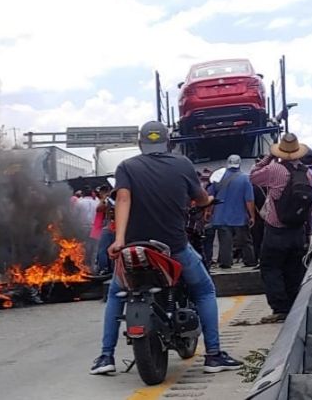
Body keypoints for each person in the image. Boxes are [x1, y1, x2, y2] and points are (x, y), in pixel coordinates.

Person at [91, 121, 243, 376]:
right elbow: (201, 198)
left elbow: (124, 198)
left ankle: (106, 356)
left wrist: (119, 240)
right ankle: (214, 355)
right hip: (173, 247)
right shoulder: (183, 164)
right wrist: (208, 201)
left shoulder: (126, 167)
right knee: (205, 290)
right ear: (168, 143)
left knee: (117, 294)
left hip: (133, 247)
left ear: (141, 143)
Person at [250, 133, 312, 324]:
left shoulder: (274, 169)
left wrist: (268, 157)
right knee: (293, 269)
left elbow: (253, 177)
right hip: (297, 230)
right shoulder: (308, 173)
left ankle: (280, 308)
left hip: (276, 230)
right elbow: (310, 206)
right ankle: (294, 305)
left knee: (271, 267)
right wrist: (309, 231)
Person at [210, 155, 257, 269]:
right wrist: (252, 216)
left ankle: (226, 263)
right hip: (239, 217)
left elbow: (210, 196)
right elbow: (249, 200)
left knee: (225, 243)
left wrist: (208, 212)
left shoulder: (218, 177)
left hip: (221, 216)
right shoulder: (246, 178)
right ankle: (250, 261)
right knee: (245, 241)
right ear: (239, 164)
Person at [73, 186, 99, 267]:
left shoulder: (79, 202)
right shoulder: (97, 203)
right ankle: (92, 267)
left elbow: (74, 215)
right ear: (92, 194)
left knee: (84, 247)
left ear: (83, 194)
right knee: (94, 249)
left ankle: (84, 266)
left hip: (82, 227)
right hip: (95, 228)